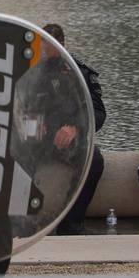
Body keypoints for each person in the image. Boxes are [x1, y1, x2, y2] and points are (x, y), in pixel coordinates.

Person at [41, 23, 106, 234]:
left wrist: (76, 128)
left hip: (70, 140)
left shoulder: (80, 73)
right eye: (41, 45)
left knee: (94, 161)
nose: (43, 51)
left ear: (61, 45)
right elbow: (16, 105)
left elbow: (99, 113)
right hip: (37, 140)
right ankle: (21, 223)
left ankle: (72, 221)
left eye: (47, 46)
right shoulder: (31, 74)